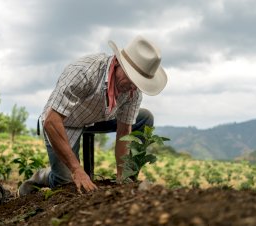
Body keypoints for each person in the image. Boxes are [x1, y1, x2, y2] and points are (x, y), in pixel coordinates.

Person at [18, 35, 168, 196]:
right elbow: (51, 121)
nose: (133, 87)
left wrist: (122, 177)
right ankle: (43, 176)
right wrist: (76, 169)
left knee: (145, 117)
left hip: (98, 117)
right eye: (132, 78)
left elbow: (124, 131)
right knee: (66, 185)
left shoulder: (133, 90)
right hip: (65, 121)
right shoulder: (84, 72)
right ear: (118, 63)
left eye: (138, 83)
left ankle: (129, 179)